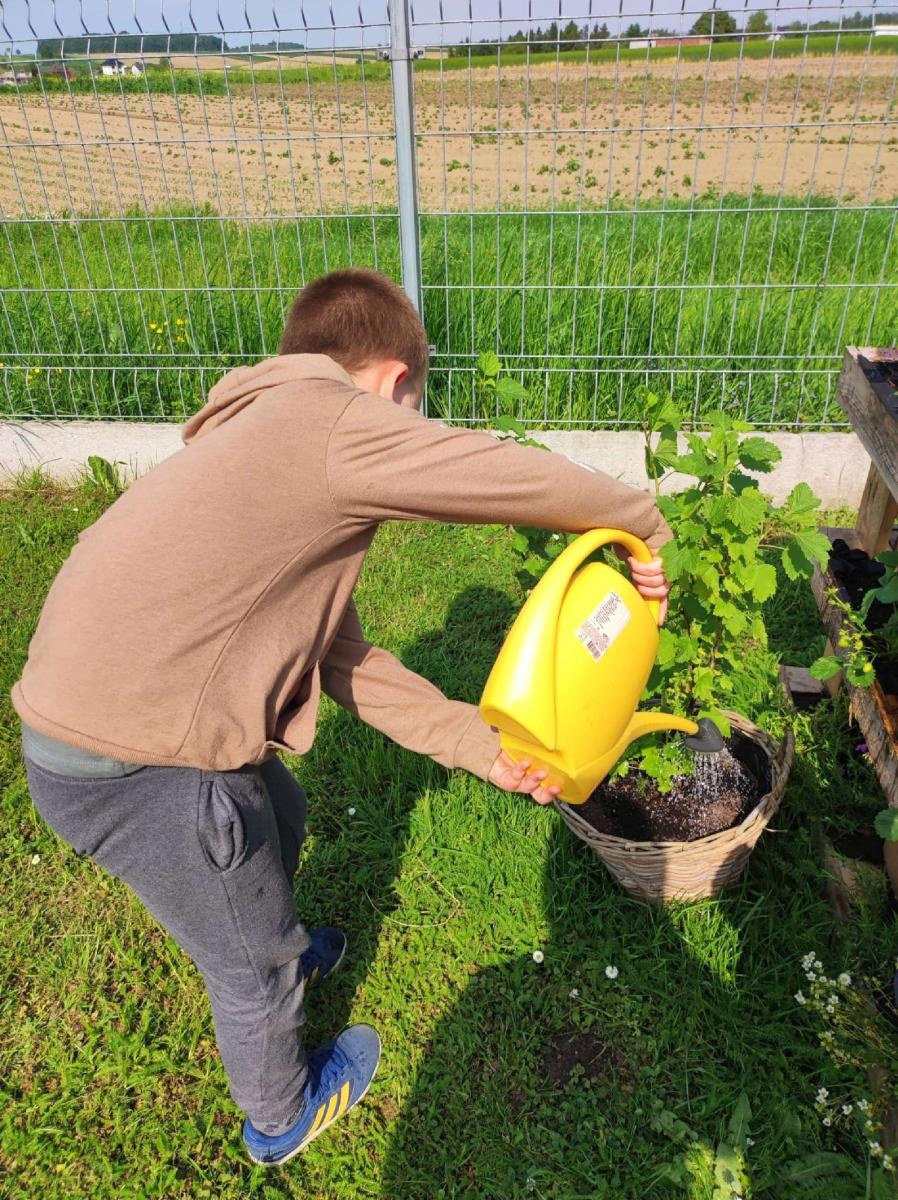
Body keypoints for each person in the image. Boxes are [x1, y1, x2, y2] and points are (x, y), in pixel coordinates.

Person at [12, 268, 671, 1167]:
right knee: (248, 963)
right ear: (395, 381)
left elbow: (347, 663)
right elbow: (491, 472)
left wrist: (486, 750)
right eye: (414, 405)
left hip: (109, 728)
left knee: (279, 812)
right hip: (141, 765)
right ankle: (281, 1115)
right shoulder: (324, 425)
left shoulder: (259, 445)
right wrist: (640, 524)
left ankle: (273, 936)